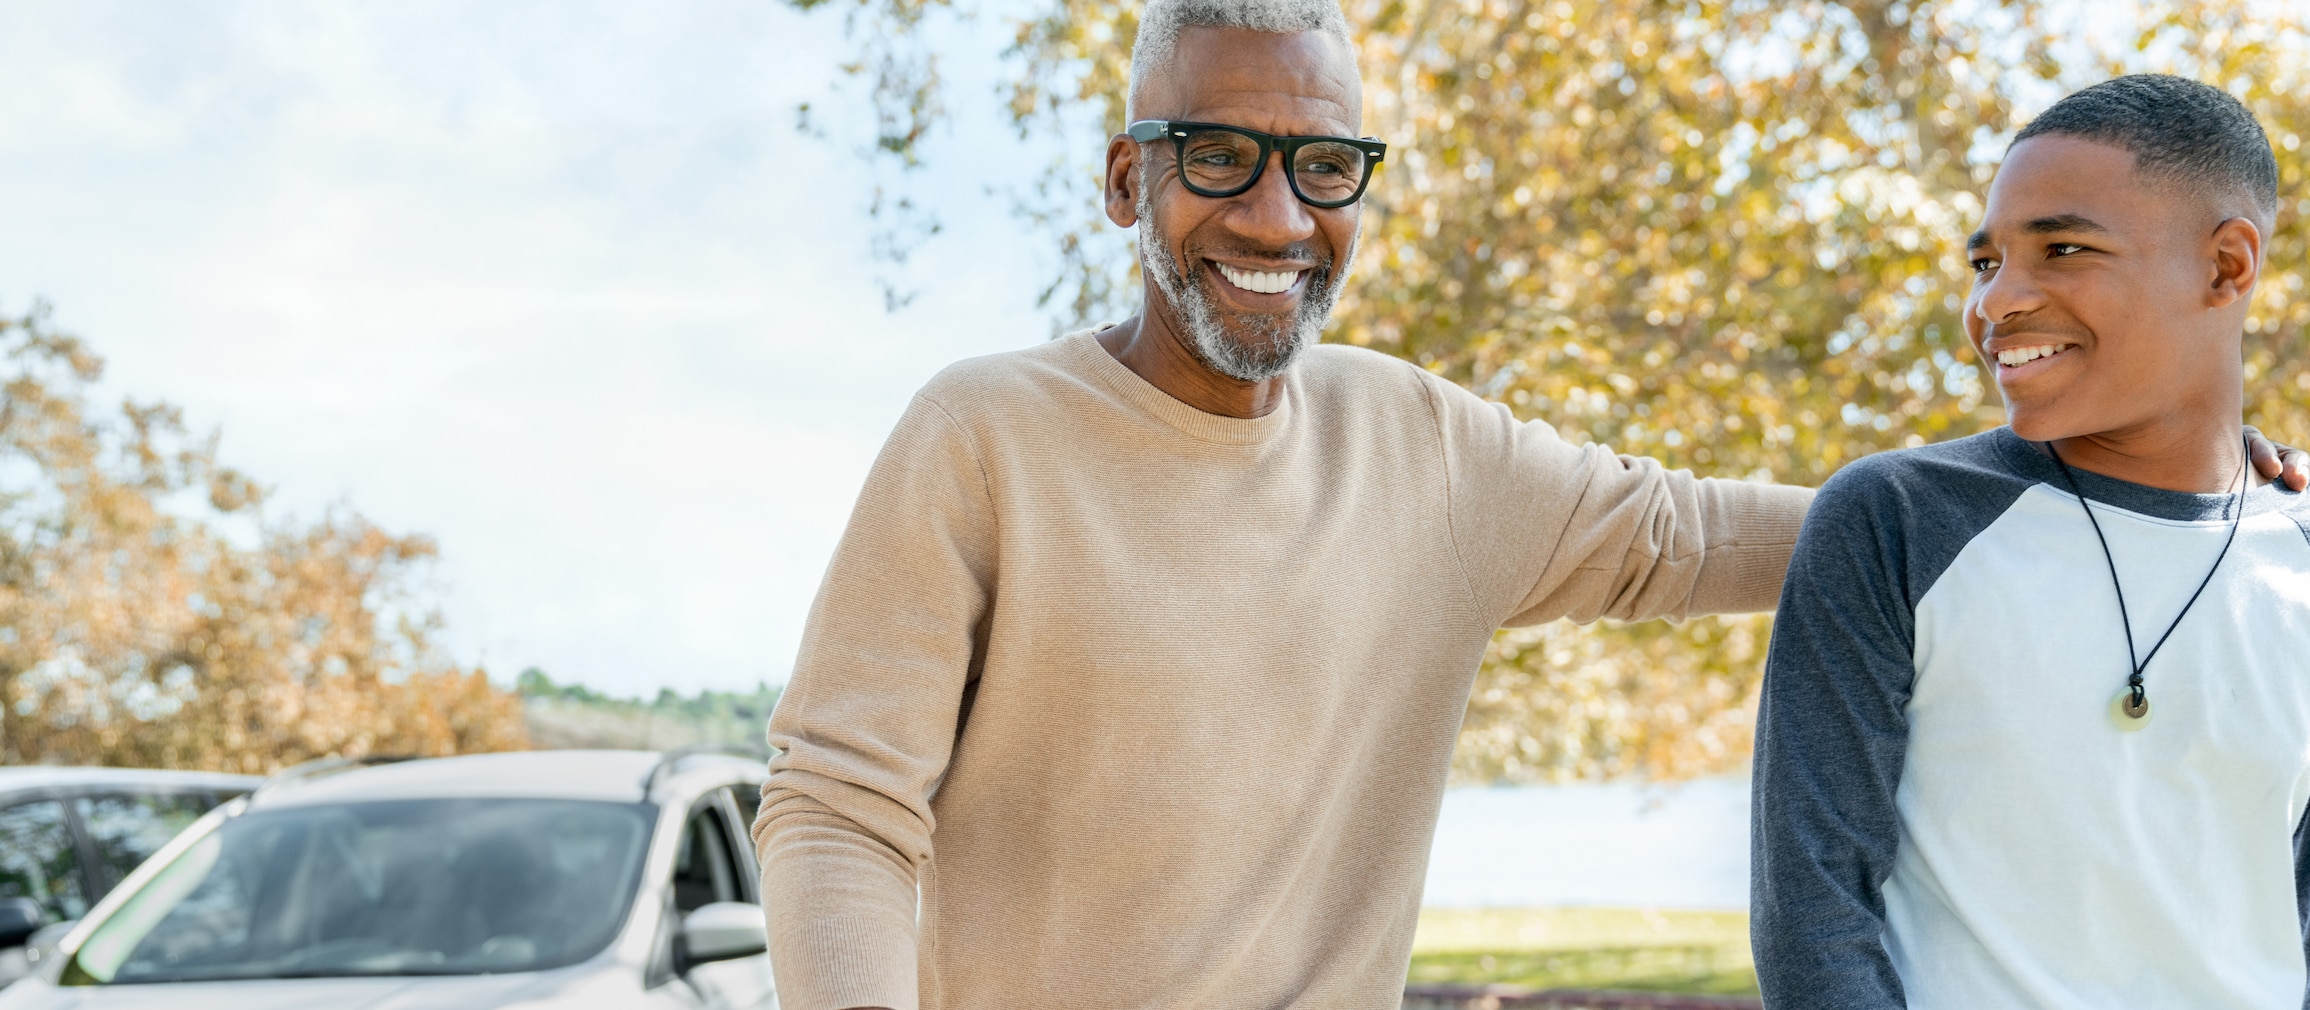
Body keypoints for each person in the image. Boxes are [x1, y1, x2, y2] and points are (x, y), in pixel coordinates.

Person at [759, 3, 2309, 1004]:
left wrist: (2141, 484)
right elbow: (840, 802)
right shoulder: (986, 432)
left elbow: (1711, 531)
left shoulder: (1424, 448)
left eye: (1323, 165)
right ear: (1123, 181)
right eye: (1217, 156)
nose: (1276, 213)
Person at [1751, 74, 2310, 1009]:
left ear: (2227, 267)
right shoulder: (1897, 520)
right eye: (1985, 263)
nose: (1998, 303)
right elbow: (1813, 907)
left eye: (2062, 248)